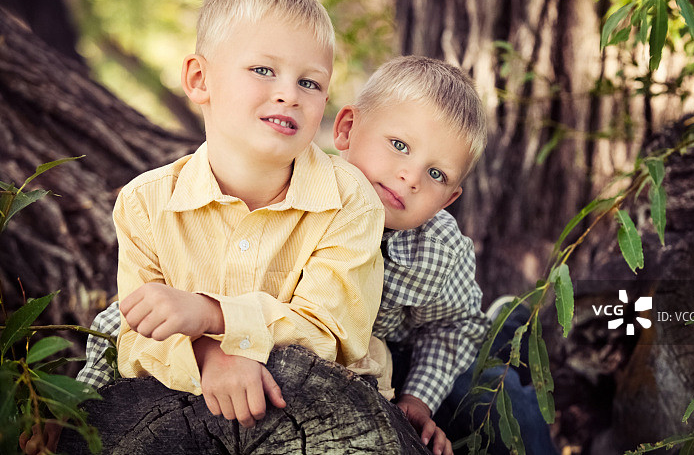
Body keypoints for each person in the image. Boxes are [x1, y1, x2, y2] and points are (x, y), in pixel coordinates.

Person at [24, 56, 558, 455]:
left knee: (503, 395)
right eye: (399, 145)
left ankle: (507, 328)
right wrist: (68, 416)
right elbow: (129, 317)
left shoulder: (436, 247)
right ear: (345, 130)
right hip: (306, 339)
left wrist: (420, 401)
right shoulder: (291, 199)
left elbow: (449, 330)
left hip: (414, 345)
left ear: (450, 199)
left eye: (436, 175)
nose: (409, 176)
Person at [19, 0, 385, 455]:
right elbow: (133, 339)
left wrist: (211, 314)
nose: (289, 94)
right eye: (263, 70)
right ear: (199, 80)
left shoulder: (349, 198)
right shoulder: (145, 204)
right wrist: (208, 354)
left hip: (330, 425)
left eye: (310, 82)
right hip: (179, 423)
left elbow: (332, 334)